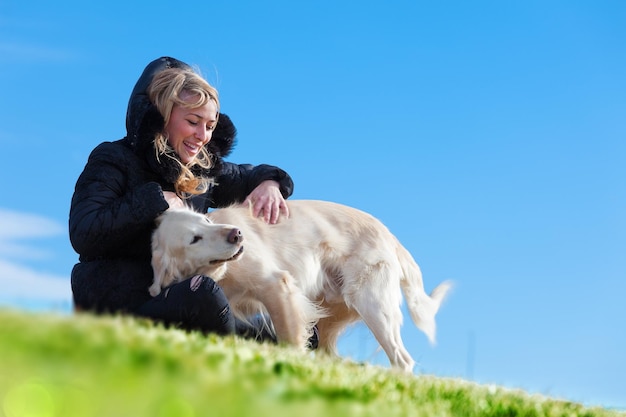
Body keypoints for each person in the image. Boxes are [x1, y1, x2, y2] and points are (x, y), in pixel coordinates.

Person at [69, 56, 292, 341]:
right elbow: (83, 232)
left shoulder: (200, 170)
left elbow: (246, 175)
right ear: (162, 115)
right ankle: (236, 370)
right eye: (193, 121)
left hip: (175, 301)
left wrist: (270, 182)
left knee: (297, 331)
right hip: (113, 306)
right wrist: (154, 199)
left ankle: (267, 347)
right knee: (204, 291)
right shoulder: (113, 158)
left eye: (210, 125)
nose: (202, 136)